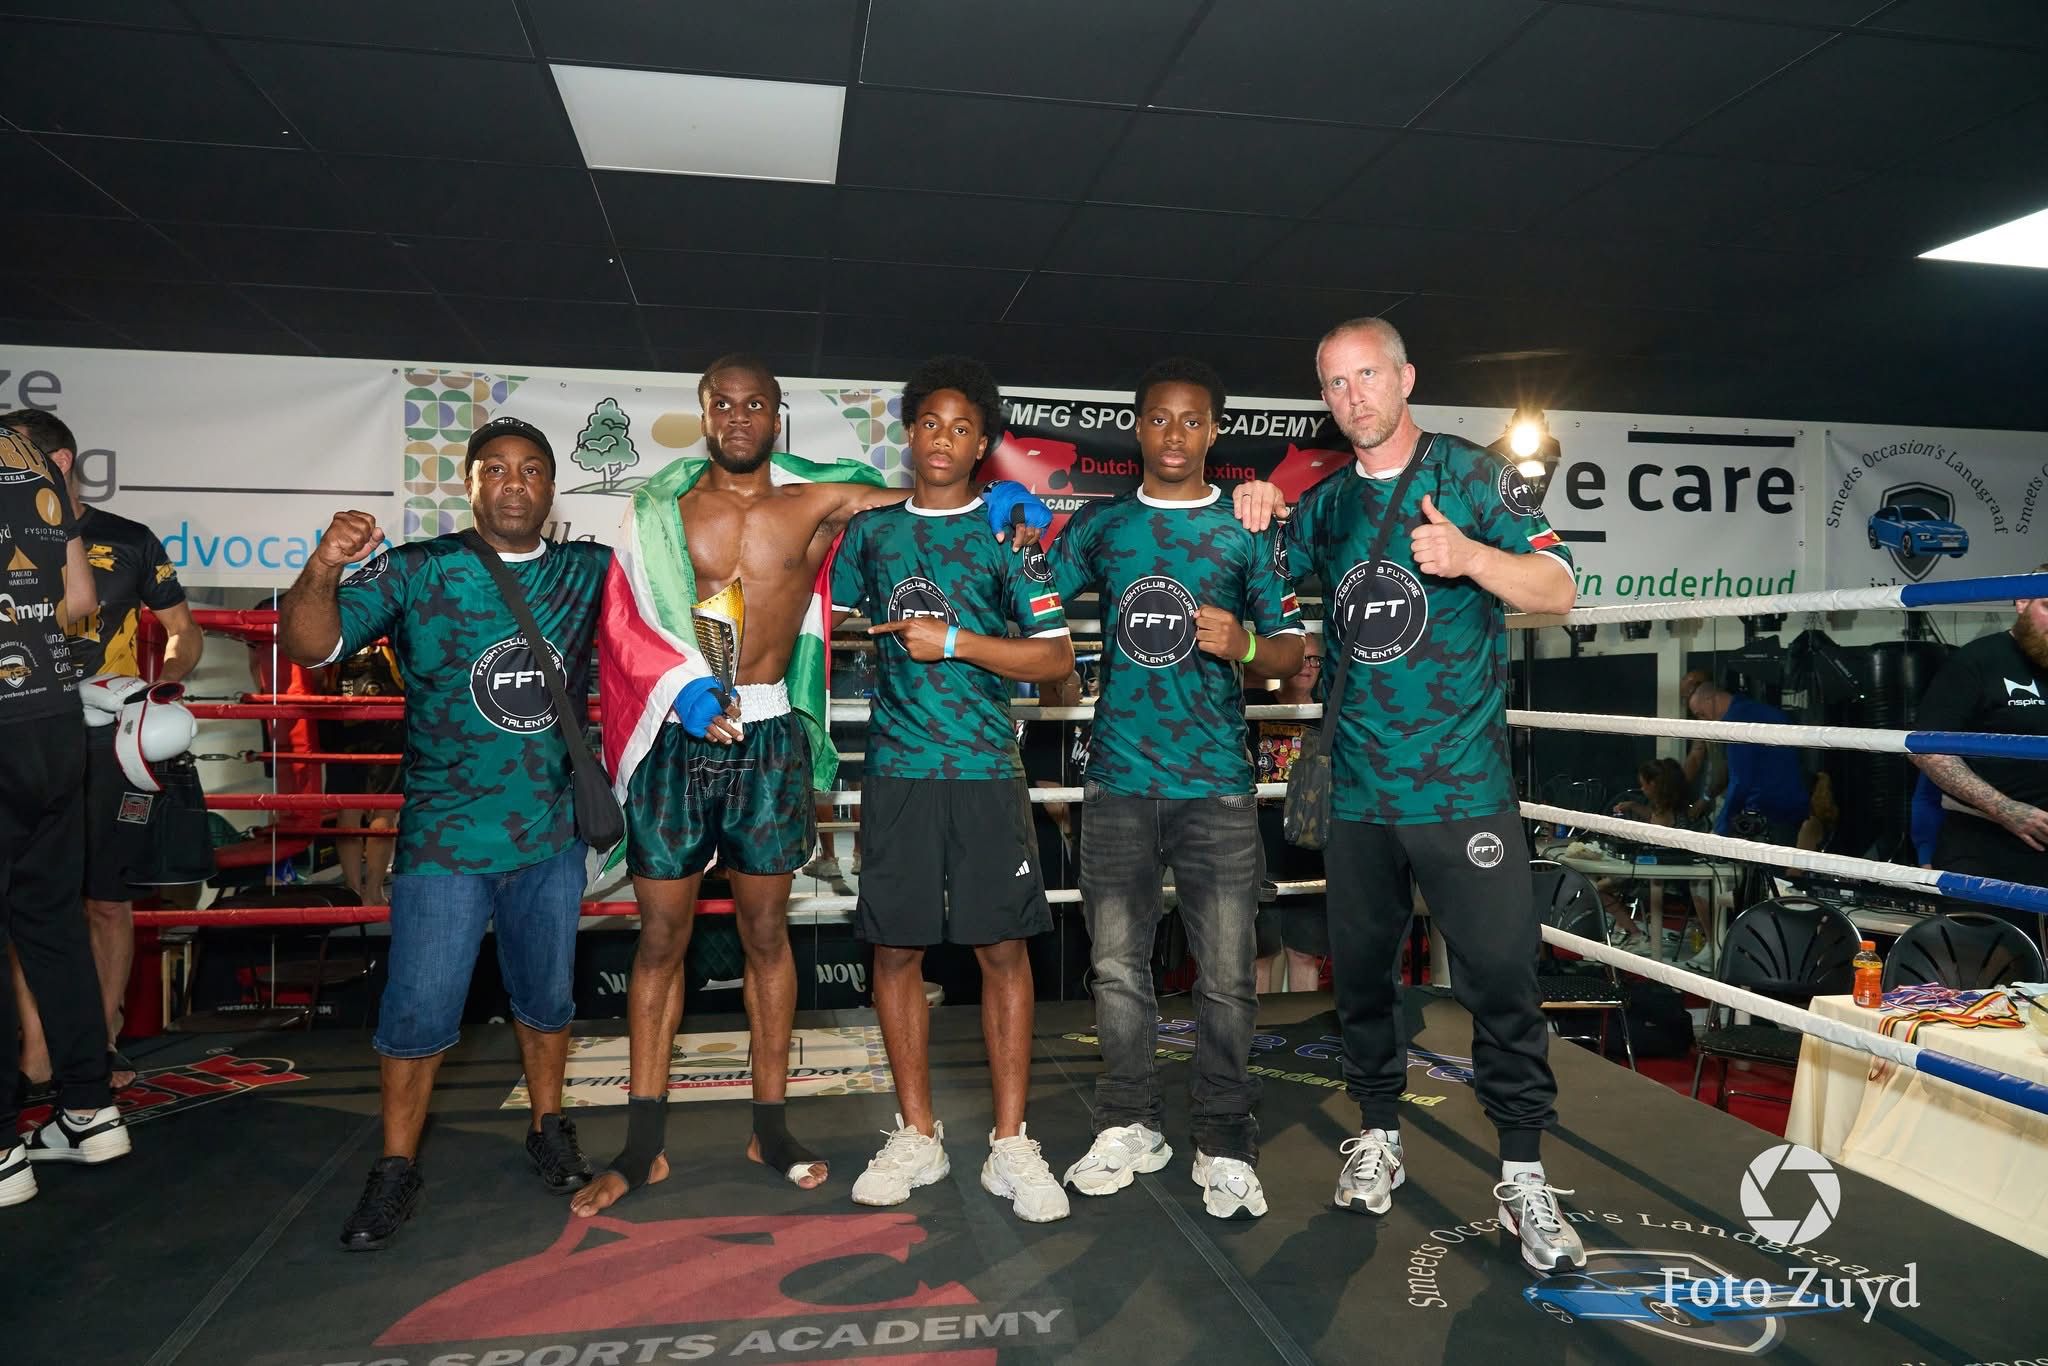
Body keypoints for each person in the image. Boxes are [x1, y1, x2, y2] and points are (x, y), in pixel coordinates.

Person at [576, 355, 1048, 1215]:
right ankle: (642, 1143)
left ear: (777, 414)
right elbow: (621, 622)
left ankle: (772, 1127)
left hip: (768, 730)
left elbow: (924, 500)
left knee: (766, 934)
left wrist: (1006, 500)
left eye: (756, 403)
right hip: (680, 730)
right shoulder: (658, 511)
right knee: (659, 938)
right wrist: (677, 688)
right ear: (704, 413)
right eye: (724, 403)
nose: (739, 416)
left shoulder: (822, 503)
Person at [1269, 316, 1584, 1270]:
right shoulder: (1326, 507)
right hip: (1360, 794)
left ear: (1406, 378)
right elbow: (1265, 583)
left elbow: (1559, 588)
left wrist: (1472, 558)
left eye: (1368, 374)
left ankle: (1523, 1174)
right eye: (1335, 382)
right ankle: (1378, 1134)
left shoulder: (1473, 477)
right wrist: (1252, 507)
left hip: (1460, 786)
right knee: (1363, 979)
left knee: (1501, 978)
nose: (1354, 395)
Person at [279, 416, 606, 1249]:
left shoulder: (588, 570)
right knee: (418, 1011)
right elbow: (310, 645)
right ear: (468, 484)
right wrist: (324, 565)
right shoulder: (419, 568)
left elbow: (681, 611)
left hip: (549, 833)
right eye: (494, 468)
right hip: (444, 839)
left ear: (550, 487)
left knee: (547, 999)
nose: (513, 483)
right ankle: (395, 1166)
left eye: (530, 469)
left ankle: (548, 1125)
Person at [1048, 356, 1304, 1221]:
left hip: (1216, 786)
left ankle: (1225, 1139)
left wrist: (1245, 646)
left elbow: (1290, 649)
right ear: (1137, 427)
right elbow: (1031, 596)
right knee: (1117, 969)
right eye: (1159, 418)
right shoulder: (1103, 525)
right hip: (1119, 779)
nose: (1174, 435)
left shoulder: (1243, 532)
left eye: (1192, 421)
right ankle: (1129, 1123)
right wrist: (1011, 534)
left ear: (1213, 431)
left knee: (1227, 976)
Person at [830, 356, 1075, 1222]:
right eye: (929, 423)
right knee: (895, 951)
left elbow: (1058, 660)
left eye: (961, 427)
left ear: (982, 445)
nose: (943, 439)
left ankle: (1010, 1143)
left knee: (1002, 951)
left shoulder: (1011, 537)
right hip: (898, 770)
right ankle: (918, 1135)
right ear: (909, 434)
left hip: (984, 772)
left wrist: (956, 641)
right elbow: (820, 618)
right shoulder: (872, 535)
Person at [3, 410, 203, 1098]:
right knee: (31, 902)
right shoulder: (12, 530)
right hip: (32, 723)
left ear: (56, 463)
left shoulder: (129, 539)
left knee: (106, 901)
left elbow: (183, 630)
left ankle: (103, 1039)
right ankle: (38, 1053)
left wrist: (158, 689)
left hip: (109, 733)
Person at [0, 423, 126, 1207]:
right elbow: (80, 602)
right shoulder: (29, 461)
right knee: (51, 922)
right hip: (53, 724)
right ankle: (88, 1108)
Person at [1910, 572, 2048, 939]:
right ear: (2022, 602)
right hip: (1985, 846)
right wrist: (2006, 809)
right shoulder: (1978, 661)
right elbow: (1927, 749)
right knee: (1985, 964)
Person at [1253, 630, 1328, 993]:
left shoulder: (1328, 715)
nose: (1307, 666)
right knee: (1259, 955)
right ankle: (1259, 1027)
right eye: (1300, 658)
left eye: (1314, 659)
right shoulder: (1253, 706)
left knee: (1304, 954)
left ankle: (1301, 1026)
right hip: (1259, 846)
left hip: (1308, 850)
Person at [321, 644, 404, 909]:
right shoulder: (389, 627)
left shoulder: (339, 630)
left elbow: (315, 673)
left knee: (350, 810)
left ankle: (354, 891)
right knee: (382, 811)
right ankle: (372, 892)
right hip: (387, 723)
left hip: (345, 721)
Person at [1684, 678, 1809, 844]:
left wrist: (1720, 829)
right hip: (1790, 811)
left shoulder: (1739, 722)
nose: (1703, 721)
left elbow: (1741, 780)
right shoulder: (1754, 711)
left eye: (1701, 713)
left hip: (1770, 817)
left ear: (1711, 700)